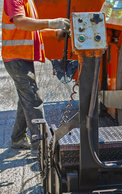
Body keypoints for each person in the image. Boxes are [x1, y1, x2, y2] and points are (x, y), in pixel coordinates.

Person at [1, 0, 70, 150]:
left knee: (26, 99)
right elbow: (20, 23)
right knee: (33, 99)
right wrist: (51, 23)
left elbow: (31, 27)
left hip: (21, 57)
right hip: (16, 58)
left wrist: (55, 29)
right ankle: (40, 145)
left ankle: (17, 138)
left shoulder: (27, 1)